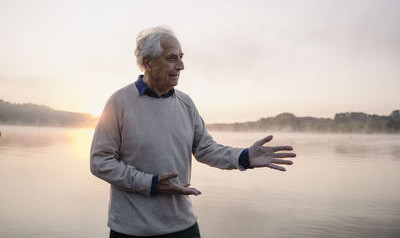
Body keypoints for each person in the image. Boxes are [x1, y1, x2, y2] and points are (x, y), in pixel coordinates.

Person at [90, 26, 296, 238]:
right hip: (131, 231)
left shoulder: (185, 103)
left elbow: (205, 149)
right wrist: (150, 184)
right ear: (147, 62)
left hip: (183, 227)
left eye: (181, 57)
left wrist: (244, 157)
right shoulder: (119, 103)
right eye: (172, 58)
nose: (181, 65)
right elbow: (100, 162)